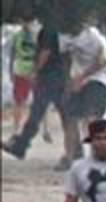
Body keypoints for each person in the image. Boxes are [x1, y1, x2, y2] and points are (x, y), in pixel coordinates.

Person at [3, 19, 71, 162]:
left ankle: (21, 146)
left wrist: (35, 71)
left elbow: (45, 52)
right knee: (64, 115)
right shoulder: (59, 27)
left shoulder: (49, 29)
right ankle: (73, 150)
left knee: (38, 112)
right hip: (59, 75)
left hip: (49, 77)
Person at [61, 17, 106, 170]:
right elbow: (65, 60)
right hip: (76, 77)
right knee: (70, 118)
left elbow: (102, 61)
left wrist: (82, 77)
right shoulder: (65, 37)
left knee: (92, 118)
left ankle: (95, 156)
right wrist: (69, 82)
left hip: (98, 77)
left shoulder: (95, 37)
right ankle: (70, 157)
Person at [9, 15, 37, 135]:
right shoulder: (16, 36)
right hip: (20, 69)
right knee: (19, 100)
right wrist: (10, 70)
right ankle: (17, 127)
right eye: (25, 21)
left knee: (38, 100)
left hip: (34, 69)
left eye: (29, 22)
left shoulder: (37, 36)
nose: (27, 24)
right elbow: (12, 53)